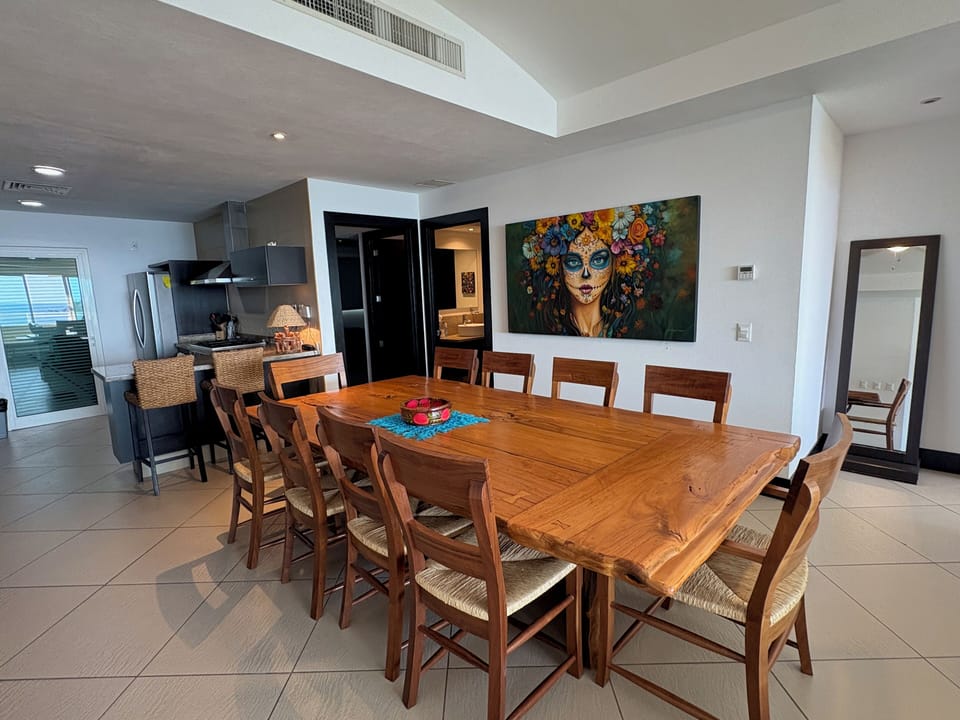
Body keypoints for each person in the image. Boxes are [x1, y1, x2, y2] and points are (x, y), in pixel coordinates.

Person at [560, 228, 613, 337]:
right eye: (573, 262)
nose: (585, 274)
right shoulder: (553, 329)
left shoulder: (619, 329)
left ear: (613, 265)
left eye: (598, 260)